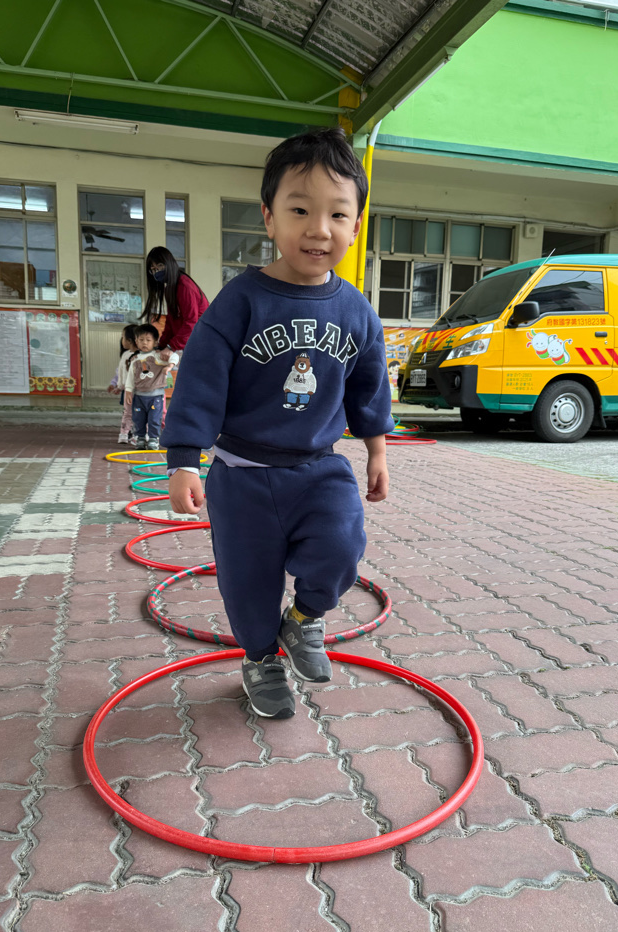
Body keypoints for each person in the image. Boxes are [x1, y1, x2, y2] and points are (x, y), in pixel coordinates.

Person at [162, 127, 393, 721]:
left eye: (337, 214)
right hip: (241, 475)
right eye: (300, 210)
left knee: (343, 545)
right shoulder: (240, 302)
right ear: (269, 218)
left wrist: (376, 450)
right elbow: (201, 381)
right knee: (248, 582)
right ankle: (261, 658)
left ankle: (304, 619)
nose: (319, 229)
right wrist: (184, 459)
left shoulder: (356, 311)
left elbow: (369, 385)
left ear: (356, 226)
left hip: (318, 469)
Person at [140, 246, 208, 353]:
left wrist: (171, 347)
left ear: (169, 264)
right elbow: (171, 323)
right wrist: (161, 346)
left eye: (160, 266)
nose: (157, 272)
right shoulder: (170, 288)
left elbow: (191, 322)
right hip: (190, 342)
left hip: (200, 342)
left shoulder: (184, 286)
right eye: (153, 269)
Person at [125, 323, 178, 451]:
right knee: (138, 419)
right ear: (136, 341)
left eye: (148, 340)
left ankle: (154, 439)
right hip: (139, 396)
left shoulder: (158, 356)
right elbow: (130, 377)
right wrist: (128, 391)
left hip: (156, 397)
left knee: (154, 418)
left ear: (155, 342)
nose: (144, 343)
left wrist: (169, 366)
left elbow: (175, 356)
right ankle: (140, 438)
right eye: (141, 340)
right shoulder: (135, 359)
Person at [107, 324, 138, 443]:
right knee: (128, 412)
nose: (122, 339)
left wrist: (120, 386)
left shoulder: (141, 355)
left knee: (136, 413)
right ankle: (124, 434)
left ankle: (136, 434)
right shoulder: (125, 355)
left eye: (123, 337)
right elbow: (120, 373)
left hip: (139, 391)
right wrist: (118, 386)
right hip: (128, 391)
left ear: (129, 340)